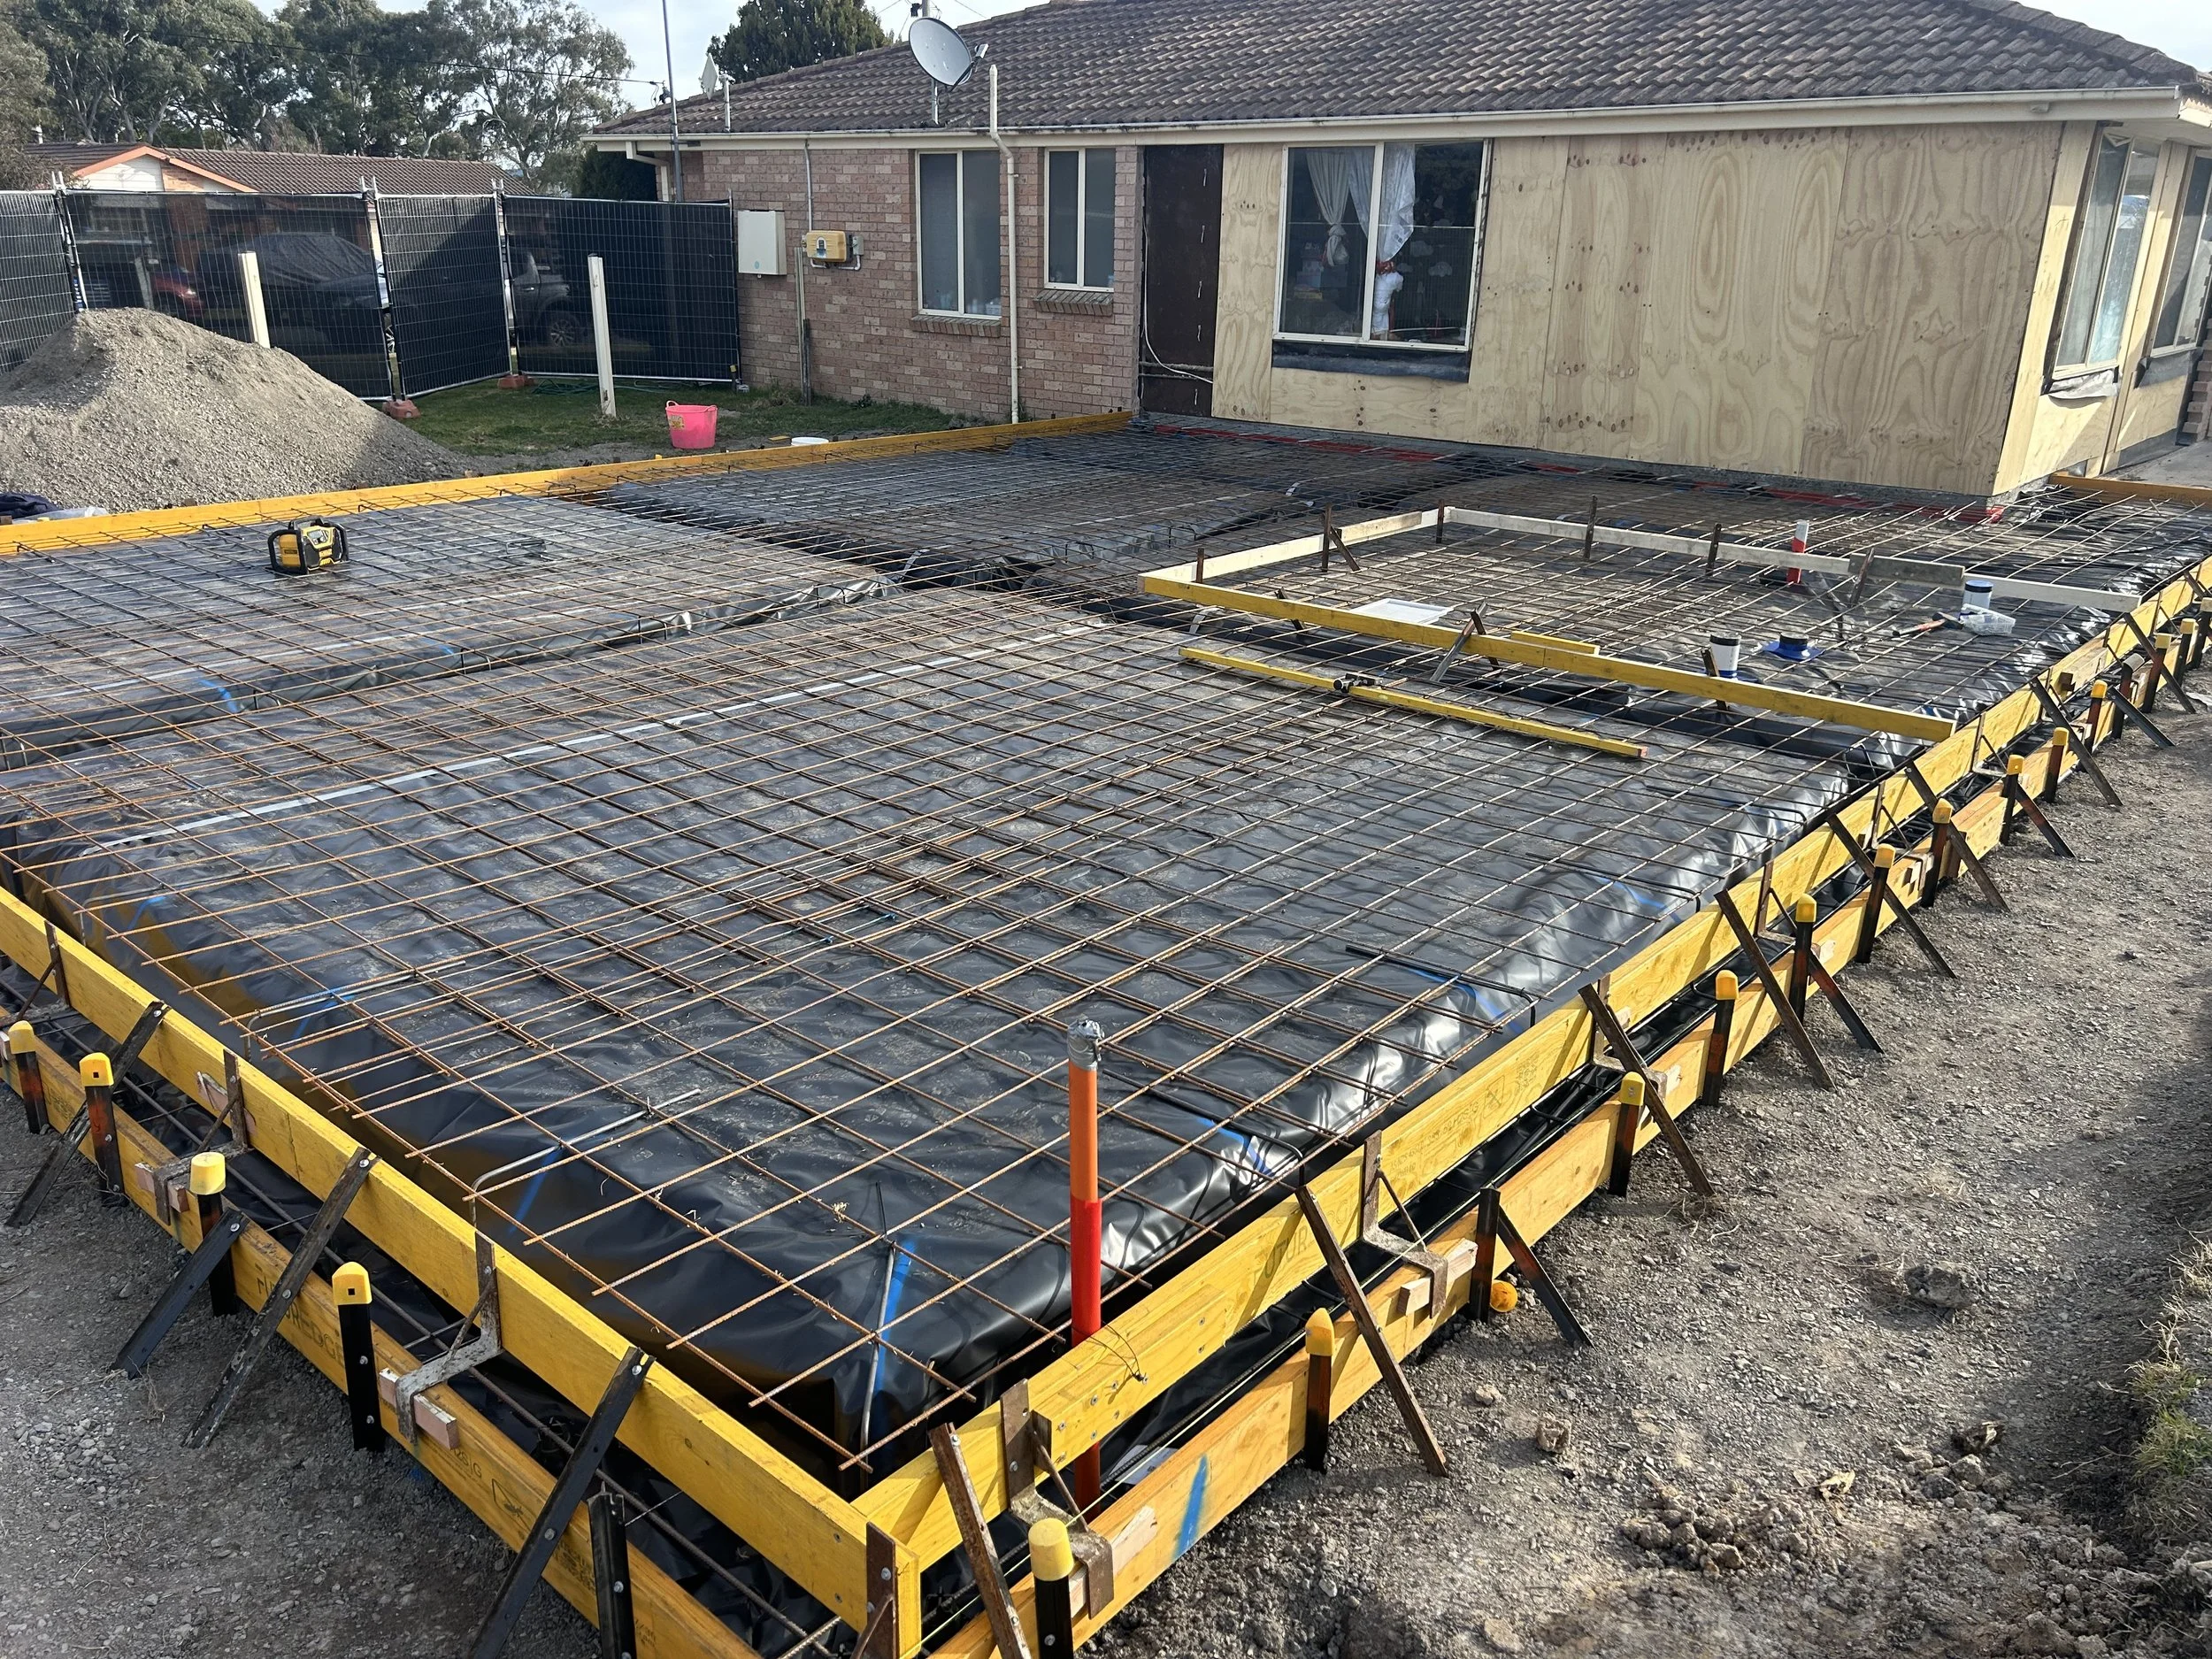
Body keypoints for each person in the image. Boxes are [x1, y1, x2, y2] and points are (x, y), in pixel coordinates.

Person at [1371, 257, 1403, 338]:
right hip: (1383, 303)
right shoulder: (1396, 277)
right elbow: (1399, 288)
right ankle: (1380, 334)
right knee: (1383, 316)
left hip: (1375, 302)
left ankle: (1377, 334)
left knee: (1378, 318)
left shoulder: (1375, 275)